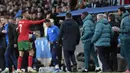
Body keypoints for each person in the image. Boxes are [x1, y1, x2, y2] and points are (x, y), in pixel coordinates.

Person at [118, 7, 130, 73]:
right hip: (123, 38)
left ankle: (129, 69)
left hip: (126, 38)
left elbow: (128, 29)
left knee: (127, 54)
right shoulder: (124, 18)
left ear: (122, 12)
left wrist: (119, 30)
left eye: (118, 11)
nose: (118, 13)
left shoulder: (125, 19)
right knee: (122, 53)